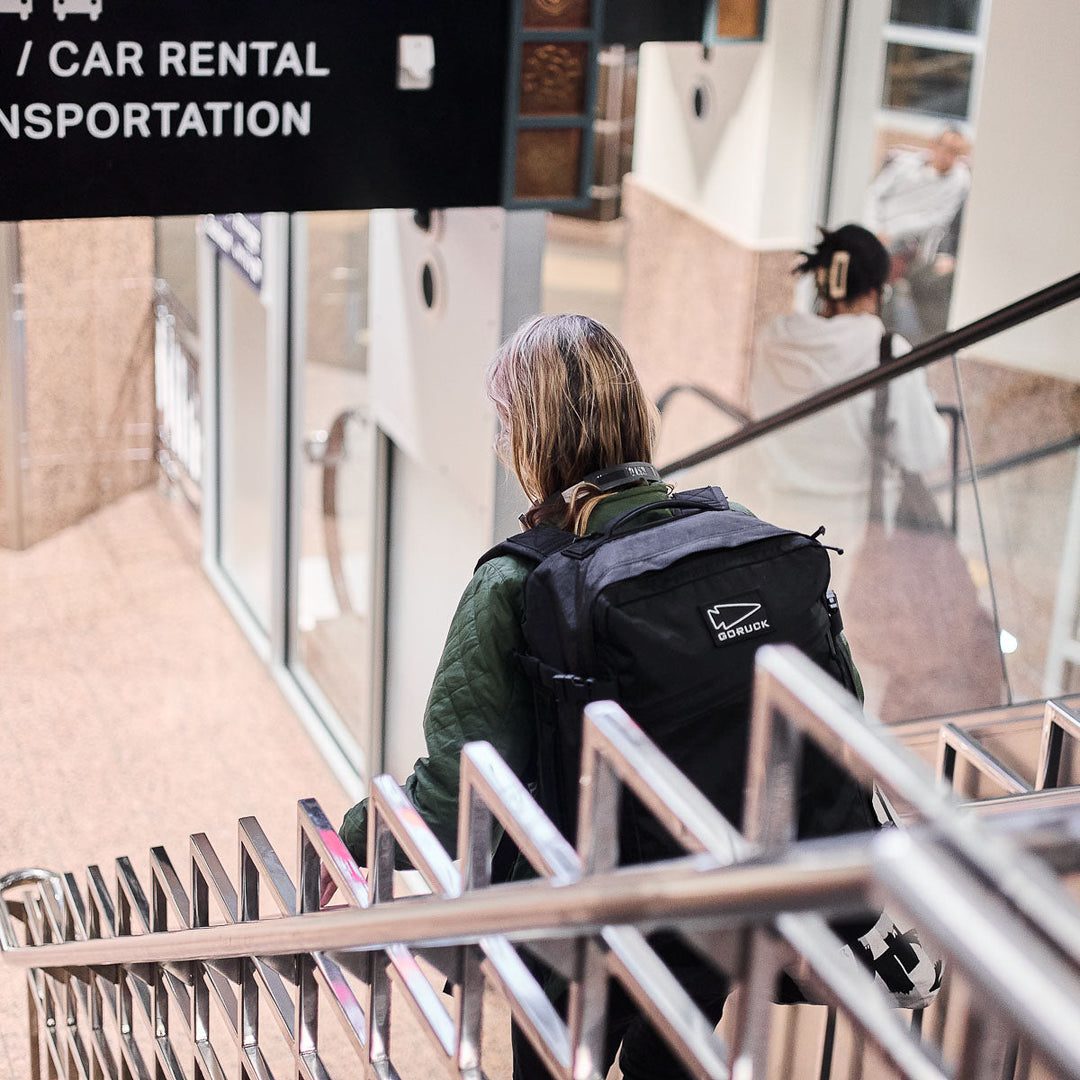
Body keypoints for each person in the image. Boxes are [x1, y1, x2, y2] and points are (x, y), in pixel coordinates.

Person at [328, 313, 875, 1079]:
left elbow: (457, 792)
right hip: (722, 889)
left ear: (530, 438)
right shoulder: (733, 531)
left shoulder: (515, 580)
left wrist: (349, 841)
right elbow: (842, 698)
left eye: (506, 425)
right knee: (675, 1052)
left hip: (583, 917)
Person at [747, 224, 950, 597]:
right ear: (877, 291)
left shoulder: (775, 338)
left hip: (769, 511)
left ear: (821, 285)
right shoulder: (885, 353)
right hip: (847, 532)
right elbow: (924, 450)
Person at [863, 126, 971, 342]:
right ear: (934, 145)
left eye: (956, 152)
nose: (950, 156)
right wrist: (876, 228)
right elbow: (874, 194)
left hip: (909, 240)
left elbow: (938, 220)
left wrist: (892, 233)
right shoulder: (903, 165)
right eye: (947, 148)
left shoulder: (960, 180)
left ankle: (880, 326)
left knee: (879, 264)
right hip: (877, 228)